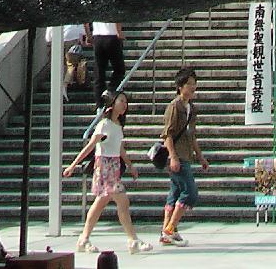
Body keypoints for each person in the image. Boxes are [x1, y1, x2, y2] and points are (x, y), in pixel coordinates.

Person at [63, 91, 152, 255]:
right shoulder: (104, 124)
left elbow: (119, 147)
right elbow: (90, 146)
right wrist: (73, 165)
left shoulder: (117, 125)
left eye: (126, 102)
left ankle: (84, 239)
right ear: (112, 103)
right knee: (123, 202)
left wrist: (130, 165)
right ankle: (133, 240)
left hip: (114, 167)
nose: (125, 104)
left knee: (100, 204)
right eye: (121, 101)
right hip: (104, 167)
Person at [159, 66, 209, 246]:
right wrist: (172, 157)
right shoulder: (174, 107)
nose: (192, 87)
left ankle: (167, 231)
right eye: (189, 84)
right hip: (177, 156)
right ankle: (170, 229)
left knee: (175, 193)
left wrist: (200, 156)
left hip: (186, 154)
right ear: (180, 86)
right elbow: (167, 135)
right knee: (190, 192)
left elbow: (192, 135)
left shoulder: (191, 108)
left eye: (194, 84)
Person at [87, 21, 127, 105]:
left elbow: (85, 22)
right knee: (119, 69)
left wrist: (88, 36)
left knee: (99, 72)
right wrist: (119, 33)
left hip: (97, 37)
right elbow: (116, 17)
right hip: (111, 35)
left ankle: (99, 103)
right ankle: (110, 89)